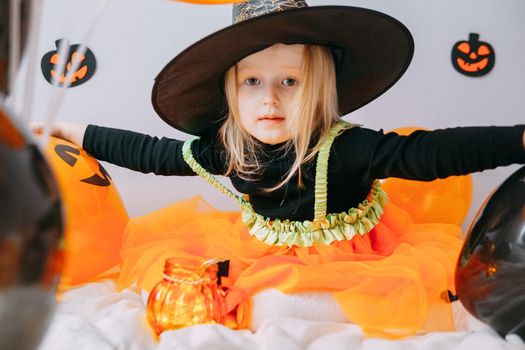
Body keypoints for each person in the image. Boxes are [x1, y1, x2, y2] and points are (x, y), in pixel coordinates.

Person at [37, 0, 525, 339]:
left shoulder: (348, 147)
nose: (269, 98)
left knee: (276, 306)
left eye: (290, 81)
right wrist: (72, 129)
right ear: (232, 90)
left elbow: (430, 153)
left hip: (346, 258)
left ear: (320, 87)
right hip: (263, 251)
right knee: (185, 285)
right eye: (252, 81)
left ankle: (326, 307)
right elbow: (153, 153)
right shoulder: (231, 147)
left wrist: (517, 140)